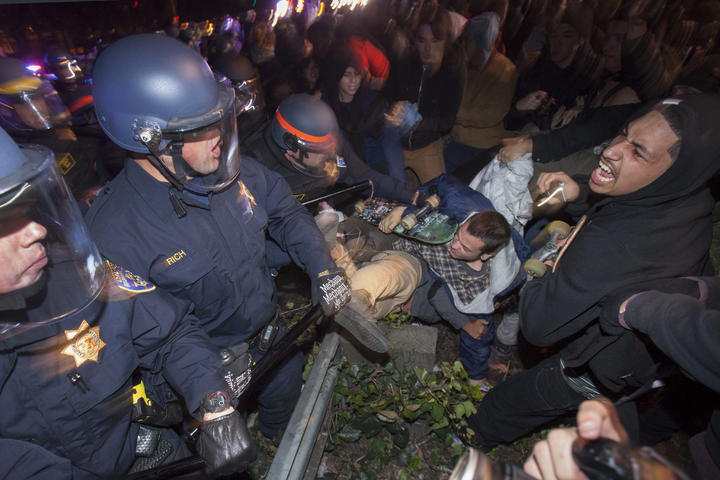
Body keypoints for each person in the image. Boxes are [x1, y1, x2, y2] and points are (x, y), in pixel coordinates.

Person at [84, 34, 382, 441]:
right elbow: (155, 333)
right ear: (151, 139)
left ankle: (275, 439)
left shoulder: (230, 171)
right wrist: (207, 391)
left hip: (271, 338)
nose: (220, 137)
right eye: (200, 128)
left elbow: (286, 213)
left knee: (283, 404)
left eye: (218, 120)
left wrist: (321, 267)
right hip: (206, 373)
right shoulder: (115, 234)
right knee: (225, 451)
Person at [463, 94, 720, 450]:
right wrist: (579, 192)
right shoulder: (691, 201)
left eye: (638, 152)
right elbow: (625, 203)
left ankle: (472, 440)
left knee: (511, 402)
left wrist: (548, 263)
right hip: (633, 349)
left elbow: (538, 325)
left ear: (676, 172)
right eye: (624, 134)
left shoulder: (615, 247)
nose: (611, 150)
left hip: (598, 365)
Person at [0, 126, 254, 478]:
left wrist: (211, 399)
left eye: (26, 208)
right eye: (4, 221)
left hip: (145, 454)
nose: (37, 230)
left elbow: (169, 331)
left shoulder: (73, 274)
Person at [329, 176, 524, 388]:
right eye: (458, 236)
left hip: (416, 269)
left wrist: (476, 376)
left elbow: (477, 336)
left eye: (465, 248)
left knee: (395, 276)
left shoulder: (479, 289)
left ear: (486, 255)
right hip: (399, 238)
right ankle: (353, 290)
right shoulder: (463, 206)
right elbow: (444, 184)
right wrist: (406, 208)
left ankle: (357, 305)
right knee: (355, 237)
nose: (454, 246)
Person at [245, 93, 415, 204]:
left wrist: (409, 195)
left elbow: (363, 175)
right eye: (320, 151)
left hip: (322, 207)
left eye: (330, 146)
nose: (330, 155)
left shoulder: (328, 140)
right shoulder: (255, 173)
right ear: (292, 151)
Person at [0, 56, 100, 205]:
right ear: (4, 110)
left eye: (37, 97)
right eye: (23, 103)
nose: (38, 108)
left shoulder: (61, 135)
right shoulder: (14, 156)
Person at [384, 6, 466, 184]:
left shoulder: (453, 67)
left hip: (427, 146)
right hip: (396, 141)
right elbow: (386, 95)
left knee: (438, 194)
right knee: (387, 190)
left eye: (435, 41)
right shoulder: (404, 58)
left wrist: (418, 124)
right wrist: (394, 109)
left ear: (445, 41)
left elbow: (448, 120)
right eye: (422, 40)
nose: (428, 49)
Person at [445, 12, 518, 175]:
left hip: (481, 146)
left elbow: (493, 113)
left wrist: (453, 112)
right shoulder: (464, 63)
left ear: (480, 41)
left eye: (468, 40)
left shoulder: (505, 69)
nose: (464, 44)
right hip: (456, 139)